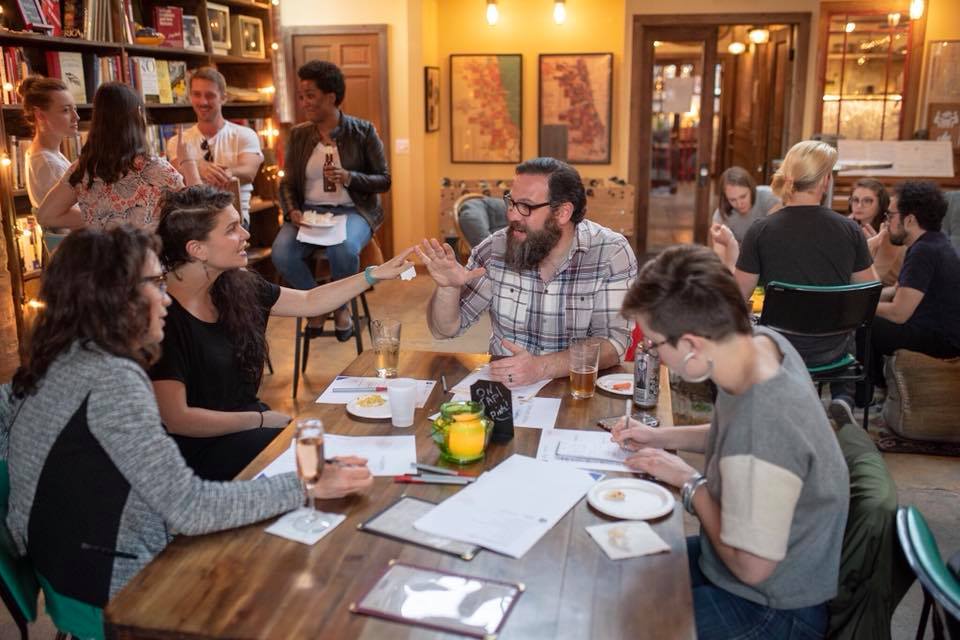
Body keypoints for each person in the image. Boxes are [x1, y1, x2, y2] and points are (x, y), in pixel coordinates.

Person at [0, 225, 373, 609]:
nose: (166, 299)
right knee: (294, 582)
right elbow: (190, 508)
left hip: (62, 562)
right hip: (113, 581)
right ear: (114, 295)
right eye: (156, 283)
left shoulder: (58, 358)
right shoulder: (112, 379)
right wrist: (306, 484)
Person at [611, 244, 849, 639]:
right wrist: (659, 435)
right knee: (620, 578)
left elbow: (751, 566)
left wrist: (690, 483)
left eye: (653, 343)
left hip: (772, 604)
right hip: (738, 563)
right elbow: (735, 434)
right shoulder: (759, 345)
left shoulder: (767, 419)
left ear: (692, 346)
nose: (650, 352)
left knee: (624, 626)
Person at [153, 185, 414, 480]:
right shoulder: (161, 318)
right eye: (231, 229)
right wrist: (260, 419)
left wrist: (372, 274)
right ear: (196, 249)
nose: (245, 235)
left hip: (252, 428)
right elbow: (176, 419)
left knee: (337, 450)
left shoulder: (237, 286)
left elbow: (309, 301)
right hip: (199, 455)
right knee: (322, 466)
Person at [417, 157, 637, 388]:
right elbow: (444, 330)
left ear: (562, 213)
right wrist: (448, 289)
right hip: (507, 389)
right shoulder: (495, 250)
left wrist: (540, 367)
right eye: (511, 203)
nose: (512, 215)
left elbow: (613, 344)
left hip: (578, 389)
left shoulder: (610, 253)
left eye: (526, 206)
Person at [712, 140, 878, 411]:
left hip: (778, 348)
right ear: (825, 181)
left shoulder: (761, 230)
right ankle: (842, 399)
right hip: (833, 350)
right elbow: (869, 293)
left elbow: (736, 296)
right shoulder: (850, 231)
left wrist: (730, 250)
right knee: (847, 334)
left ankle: (757, 407)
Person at [272, 60, 390, 341]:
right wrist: (292, 211)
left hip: (354, 211)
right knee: (282, 253)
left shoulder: (363, 132)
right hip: (309, 213)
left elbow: (384, 180)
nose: (304, 103)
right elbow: (287, 183)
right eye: (301, 96)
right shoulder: (299, 135)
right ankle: (319, 306)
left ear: (331, 97)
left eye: (310, 95)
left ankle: (336, 307)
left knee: (343, 248)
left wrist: (349, 177)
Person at [36, 82, 200, 231]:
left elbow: (46, 216)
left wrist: (103, 219)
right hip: (146, 261)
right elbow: (200, 214)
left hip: (103, 262)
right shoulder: (156, 170)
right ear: (138, 114)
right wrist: (188, 161)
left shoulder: (83, 169)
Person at [869, 181, 960, 390]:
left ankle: (868, 394)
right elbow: (898, 290)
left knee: (867, 322)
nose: (886, 223)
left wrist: (860, 307)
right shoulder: (933, 242)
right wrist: (864, 297)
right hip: (937, 332)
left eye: (890, 216)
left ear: (909, 220)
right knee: (866, 315)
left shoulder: (924, 252)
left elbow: (899, 313)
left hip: (942, 340)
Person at [165, 67, 264, 226]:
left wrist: (223, 173)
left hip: (235, 218)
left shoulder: (246, 134)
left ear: (223, 98)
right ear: (190, 97)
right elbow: (175, 169)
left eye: (210, 95)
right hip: (194, 220)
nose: (203, 102)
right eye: (197, 95)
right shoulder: (177, 141)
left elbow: (249, 172)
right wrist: (200, 167)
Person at [847, 178, 904, 287]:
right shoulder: (850, 225)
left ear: (880, 204)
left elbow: (871, 282)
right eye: (855, 200)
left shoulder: (888, 233)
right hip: (863, 290)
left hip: (888, 291)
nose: (859, 206)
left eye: (867, 201)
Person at [712, 166, 780, 243]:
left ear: (751, 189)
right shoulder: (721, 215)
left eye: (743, 196)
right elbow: (719, 253)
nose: (739, 204)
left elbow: (777, 237)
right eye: (732, 200)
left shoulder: (769, 198)